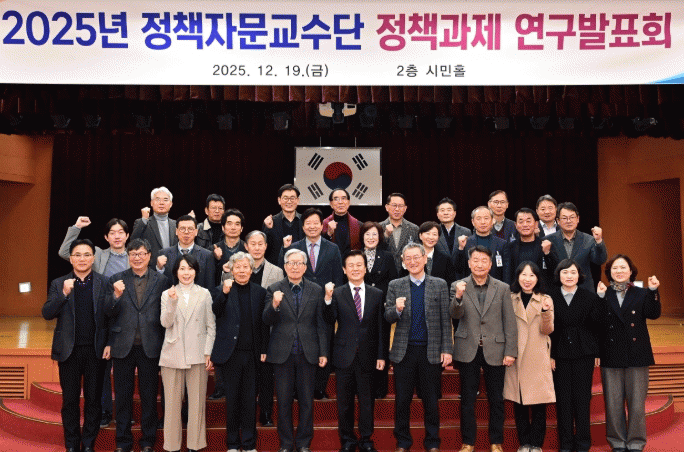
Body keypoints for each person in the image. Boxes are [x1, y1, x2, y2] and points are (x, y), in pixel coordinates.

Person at [57, 216, 129, 428]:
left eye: (121, 232)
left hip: (127, 318)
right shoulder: (97, 255)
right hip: (103, 317)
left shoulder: (135, 255)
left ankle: (125, 414)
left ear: (127, 235)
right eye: (112, 233)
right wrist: (76, 228)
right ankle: (105, 411)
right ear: (106, 237)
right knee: (103, 372)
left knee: (124, 372)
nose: (117, 236)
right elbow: (65, 252)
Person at [42, 239, 110, 452]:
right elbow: (47, 313)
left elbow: (111, 317)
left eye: (87, 254)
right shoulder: (59, 283)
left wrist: (109, 343)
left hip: (95, 351)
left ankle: (88, 444)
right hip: (68, 352)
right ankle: (71, 445)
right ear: (71, 259)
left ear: (93, 258)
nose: (82, 259)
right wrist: (63, 294)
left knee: (93, 401)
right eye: (77, 255)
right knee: (70, 401)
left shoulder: (104, 282)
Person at [385, 243, 452, 452]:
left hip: (430, 352)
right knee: (402, 401)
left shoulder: (439, 284)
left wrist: (447, 349)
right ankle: (403, 442)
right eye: (408, 258)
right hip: (403, 352)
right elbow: (387, 316)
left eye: (416, 257)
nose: (413, 262)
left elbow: (445, 319)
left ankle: (432, 442)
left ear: (425, 259)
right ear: (403, 262)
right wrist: (396, 309)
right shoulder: (395, 285)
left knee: (431, 401)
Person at [106, 238, 171, 452]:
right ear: (128, 256)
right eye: (133, 254)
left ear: (149, 256)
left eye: (141, 253)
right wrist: (115, 296)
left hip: (151, 346)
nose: (137, 258)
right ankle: (123, 442)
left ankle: (147, 441)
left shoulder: (162, 281)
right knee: (122, 398)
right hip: (122, 346)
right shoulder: (116, 279)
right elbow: (107, 313)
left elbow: (166, 313)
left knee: (149, 397)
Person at [450, 245, 517, 452]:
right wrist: (458, 296)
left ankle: (496, 442)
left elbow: (509, 322)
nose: (479, 264)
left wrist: (510, 351)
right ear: (469, 263)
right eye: (475, 260)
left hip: (495, 349)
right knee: (467, 399)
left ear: (490, 264)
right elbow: (454, 315)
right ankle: (468, 442)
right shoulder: (457, 285)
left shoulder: (502, 288)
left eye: (484, 261)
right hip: (467, 348)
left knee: (496, 399)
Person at [263, 249, 328, 452]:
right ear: (284, 266)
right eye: (291, 263)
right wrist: (274, 304)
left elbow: (321, 324)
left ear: (305, 267)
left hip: (308, 353)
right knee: (283, 402)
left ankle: (303, 443)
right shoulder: (274, 288)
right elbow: (266, 320)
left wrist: (323, 352)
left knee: (307, 402)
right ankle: (285, 444)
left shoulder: (316, 290)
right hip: (282, 354)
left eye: (299, 263)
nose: (295, 267)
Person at [323, 250, 386, 452]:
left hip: (368, 355)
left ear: (365, 268)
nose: (355, 269)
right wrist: (327, 299)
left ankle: (366, 440)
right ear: (344, 269)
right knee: (345, 403)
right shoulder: (337, 293)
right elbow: (329, 319)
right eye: (351, 265)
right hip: (344, 356)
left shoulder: (377, 294)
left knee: (367, 402)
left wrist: (381, 355)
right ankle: (348, 440)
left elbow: (381, 328)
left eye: (359, 265)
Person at [596, 255, 661, 452]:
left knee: (636, 404)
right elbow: (597, 323)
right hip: (611, 354)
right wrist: (599, 298)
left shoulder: (642, 292)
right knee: (613, 403)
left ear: (631, 271)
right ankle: (617, 442)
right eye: (615, 268)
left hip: (637, 355)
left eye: (623, 267)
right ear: (609, 272)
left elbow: (653, 314)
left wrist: (653, 290)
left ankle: (635, 442)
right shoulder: (603, 293)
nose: (619, 271)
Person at [279, 207, 344, 399]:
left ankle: (319, 387)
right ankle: (297, 388)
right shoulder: (294, 247)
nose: (312, 226)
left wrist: (333, 300)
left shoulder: (332, 248)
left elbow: (338, 278)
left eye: (316, 223)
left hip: (325, 301)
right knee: (302, 342)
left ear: (322, 225)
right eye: (308, 223)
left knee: (324, 340)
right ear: (303, 226)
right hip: (299, 302)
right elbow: (285, 272)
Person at [222, 230, 284, 425]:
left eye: (260, 244)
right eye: (253, 244)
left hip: (267, 331)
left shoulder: (277, 271)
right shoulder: (231, 269)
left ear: (266, 246)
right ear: (246, 246)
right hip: (242, 334)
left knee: (265, 376)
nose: (257, 248)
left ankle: (265, 412)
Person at [211, 252, 269, 452]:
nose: (242, 271)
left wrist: (263, 349)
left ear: (251, 270)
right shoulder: (220, 290)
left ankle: (249, 444)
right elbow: (216, 312)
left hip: (252, 355)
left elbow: (264, 324)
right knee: (232, 401)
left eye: (246, 267)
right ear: (231, 269)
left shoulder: (260, 292)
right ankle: (233, 444)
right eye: (238, 267)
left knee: (250, 401)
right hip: (230, 355)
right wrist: (224, 294)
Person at [159, 254, 216, 452]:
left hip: (198, 354)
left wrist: (208, 352)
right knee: (172, 406)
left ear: (196, 272)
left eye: (190, 269)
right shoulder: (167, 294)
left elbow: (211, 326)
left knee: (197, 404)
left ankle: (195, 445)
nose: (186, 273)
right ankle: (172, 446)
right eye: (182, 268)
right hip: (172, 354)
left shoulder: (204, 293)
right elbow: (165, 323)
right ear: (176, 272)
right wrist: (172, 302)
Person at [549, 259, 601, 452]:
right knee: (563, 400)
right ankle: (565, 444)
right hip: (559, 354)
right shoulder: (550, 297)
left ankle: (583, 443)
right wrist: (550, 355)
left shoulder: (590, 297)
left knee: (582, 399)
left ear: (579, 275)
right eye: (565, 272)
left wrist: (597, 352)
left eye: (573, 272)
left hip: (584, 353)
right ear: (558, 275)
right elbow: (548, 330)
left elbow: (597, 327)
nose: (569, 276)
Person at [503, 262, 555, 452]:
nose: (527, 279)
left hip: (537, 356)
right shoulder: (509, 299)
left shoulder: (545, 299)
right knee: (519, 403)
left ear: (537, 278)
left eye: (532, 275)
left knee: (539, 405)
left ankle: (536, 444)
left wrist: (546, 312)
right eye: (524, 275)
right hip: (516, 356)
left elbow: (548, 330)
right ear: (517, 277)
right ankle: (524, 443)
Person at [360, 221, 398, 399]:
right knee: (363, 344)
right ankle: (362, 386)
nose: (371, 237)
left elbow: (393, 281)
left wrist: (389, 302)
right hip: (360, 307)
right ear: (362, 236)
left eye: (374, 234)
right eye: (367, 234)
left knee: (381, 344)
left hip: (381, 307)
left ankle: (380, 387)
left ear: (380, 236)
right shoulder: (355, 255)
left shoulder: (387, 256)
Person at [545, 202, 607, 292]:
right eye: (564, 218)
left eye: (572, 217)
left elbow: (600, 260)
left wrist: (599, 240)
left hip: (584, 291)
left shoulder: (588, 239)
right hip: (557, 291)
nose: (569, 221)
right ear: (558, 221)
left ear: (578, 219)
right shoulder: (548, 241)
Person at [157, 214, 215, 289]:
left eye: (190, 229)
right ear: (176, 231)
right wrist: (159, 269)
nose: (186, 232)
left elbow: (210, 285)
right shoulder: (164, 254)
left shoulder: (207, 255)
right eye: (182, 228)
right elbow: (159, 284)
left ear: (196, 232)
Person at [504, 208, 556, 285]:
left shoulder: (546, 245)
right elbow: (507, 275)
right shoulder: (510, 247)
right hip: (516, 290)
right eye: (521, 221)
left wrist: (548, 253)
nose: (525, 225)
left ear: (536, 224)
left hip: (541, 290)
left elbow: (554, 271)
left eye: (528, 221)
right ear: (516, 225)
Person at [454, 206, 508, 281]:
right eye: (478, 218)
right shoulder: (465, 243)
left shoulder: (502, 244)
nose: (483, 222)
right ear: (473, 222)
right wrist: (460, 249)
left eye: (486, 218)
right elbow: (458, 269)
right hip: (470, 285)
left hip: (495, 286)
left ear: (493, 220)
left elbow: (506, 272)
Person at [131, 187, 177, 267]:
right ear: (151, 203)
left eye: (165, 200)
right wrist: (144, 219)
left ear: (171, 204)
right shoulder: (143, 222)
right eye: (158, 199)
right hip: (151, 269)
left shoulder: (176, 224)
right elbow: (133, 242)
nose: (161, 203)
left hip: (173, 268)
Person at [263, 184, 304, 265]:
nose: (289, 201)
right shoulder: (270, 221)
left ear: (298, 200)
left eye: (292, 198)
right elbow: (265, 248)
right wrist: (268, 229)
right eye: (285, 198)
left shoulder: (305, 221)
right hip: (277, 267)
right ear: (279, 200)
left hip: (300, 266)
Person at [380, 193, 420, 270]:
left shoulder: (414, 228)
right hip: (384, 270)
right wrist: (386, 236)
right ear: (387, 207)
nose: (397, 209)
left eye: (400, 206)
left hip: (407, 271)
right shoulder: (379, 227)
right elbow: (377, 249)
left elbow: (418, 252)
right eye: (394, 205)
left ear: (405, 208)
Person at [322, 188, 362, 255]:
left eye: (343, 198)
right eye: (336, 199)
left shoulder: (358, 225)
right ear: (331, 204)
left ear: (349, 202)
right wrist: (328, 234)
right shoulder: (323, 224)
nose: (340, 202)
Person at [416, 221, 456, 287]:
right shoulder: (412, 257)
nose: (431, 237)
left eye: (434, 234)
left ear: (438, 237)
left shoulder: (445, 259)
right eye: (428, 233)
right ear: (420, 236)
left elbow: (450, 283)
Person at [435, 197, 471, 268]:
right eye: (442, 210)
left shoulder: (466, 232)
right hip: (439, 271)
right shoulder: (433, 232)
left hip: (461, 271)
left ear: (455, 213)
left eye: (449, 210)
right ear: (437, 214)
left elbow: (469, 255)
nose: (446, 213)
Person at [214, 208, 247, 283]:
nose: (233, 228)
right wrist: (217, 260)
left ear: (241, 228)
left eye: (237, 224)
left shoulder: (248, 248)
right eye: (229, 224)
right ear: (223, 228)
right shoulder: (213, 249)